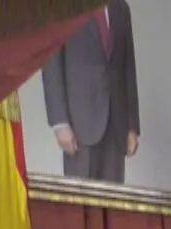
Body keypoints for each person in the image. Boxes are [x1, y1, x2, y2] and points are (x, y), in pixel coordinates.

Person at [40, 0, 139, 183]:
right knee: (80, 198)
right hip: (79, 125)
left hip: (116, 126)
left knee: (112, 198)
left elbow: (128, 67)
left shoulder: (121, 8)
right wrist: (60, 123)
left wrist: (132, 126)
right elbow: (51, 62)